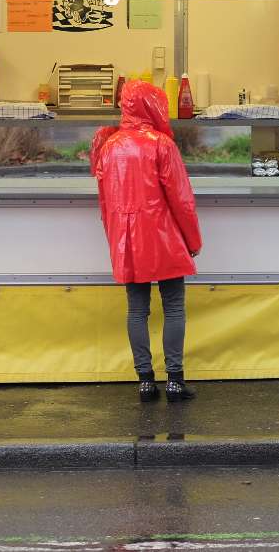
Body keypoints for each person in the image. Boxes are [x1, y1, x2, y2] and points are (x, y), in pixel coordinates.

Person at [90, 81, 202, 403]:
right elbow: (181, 200)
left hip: (126, 239)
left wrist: (114, 238)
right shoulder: (161, 145)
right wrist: (192, 240)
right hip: (163, 236)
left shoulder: (109, 146)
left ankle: (145, 381)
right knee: (174, 306)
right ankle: (175, 380)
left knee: (136, 309)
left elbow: (105, 202)